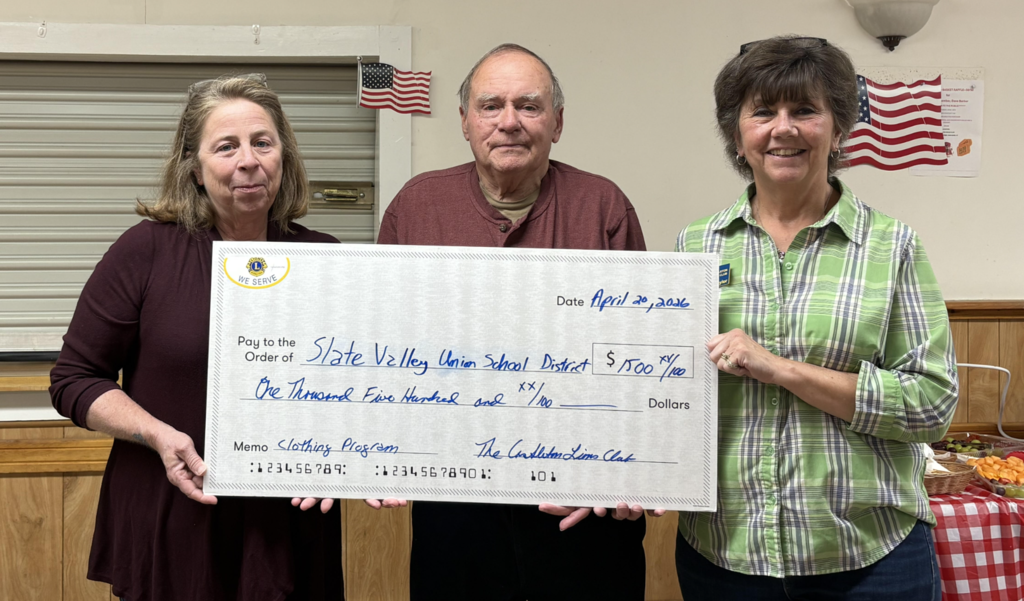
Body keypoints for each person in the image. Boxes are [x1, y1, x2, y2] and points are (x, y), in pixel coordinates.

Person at [674, 36, 958, 601]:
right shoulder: (696, 245)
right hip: (728, 553)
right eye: (763, 112)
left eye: (805, 110)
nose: (784, 128)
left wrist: (781, 369)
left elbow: (932, 406)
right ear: (738, 133)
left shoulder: (891, 246)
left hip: (869, 556)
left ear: (838, 126)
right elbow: (671, 388)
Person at [49, 74, 343, 601]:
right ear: (195, 168)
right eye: (226, 146)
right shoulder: (145, 252)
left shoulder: (327, 258)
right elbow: (74, 379)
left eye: (262, 142)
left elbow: (355, 382)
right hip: (173, 510)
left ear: (284, 157)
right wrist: (157, 434)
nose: (248, 160)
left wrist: (345, 461)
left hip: (289, 522)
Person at [376, 43, 652, 601]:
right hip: (455, 505)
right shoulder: (417, 206)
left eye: (528, 106)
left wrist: (636, 471)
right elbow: (381, 345)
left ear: (557, 122)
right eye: (490, 106)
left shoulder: (603, 207)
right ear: (464, 121)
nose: (509, 122)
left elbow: (643, 359)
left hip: (579, 504)